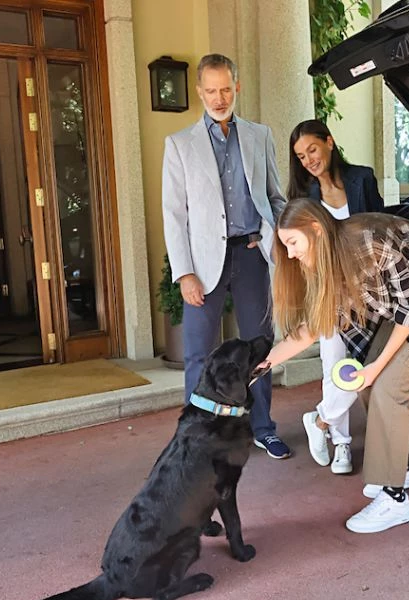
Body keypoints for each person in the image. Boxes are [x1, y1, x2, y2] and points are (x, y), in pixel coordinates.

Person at [261, 198, 409, 533]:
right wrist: (264, 363)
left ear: (316, 230)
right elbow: (312, 328)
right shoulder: (323, 263)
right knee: (362, 381)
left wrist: (377, 368)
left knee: (389, 388)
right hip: (403, 314)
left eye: (292, 242)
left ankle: (395, 500)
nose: (289, 254)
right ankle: (404, 467)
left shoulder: (372, 244)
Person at [161, 53, 290, 459]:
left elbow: (275, 197)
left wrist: (277, 240)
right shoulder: (179, 145)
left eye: (225, 89)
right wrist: (183, 273)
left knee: (260, 350)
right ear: (200, 91)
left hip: (252, 256)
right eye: (211, 91)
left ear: (238, 87)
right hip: (202, 264)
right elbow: (174, 214)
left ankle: (262, 427)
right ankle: (198, 438)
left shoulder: (259, 136)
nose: (219, 98)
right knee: (198, 351)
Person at [287, 119, 384, 476]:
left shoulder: (362, 178)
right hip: (327, 292)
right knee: (335, 369)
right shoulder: (304, 199)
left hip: (369, 292)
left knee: (364, 368)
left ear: (329, 142)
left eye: (312, 149)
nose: (308, 159)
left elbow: (381, 225)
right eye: (301, 156)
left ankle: (321, 420)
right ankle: (342, 444)